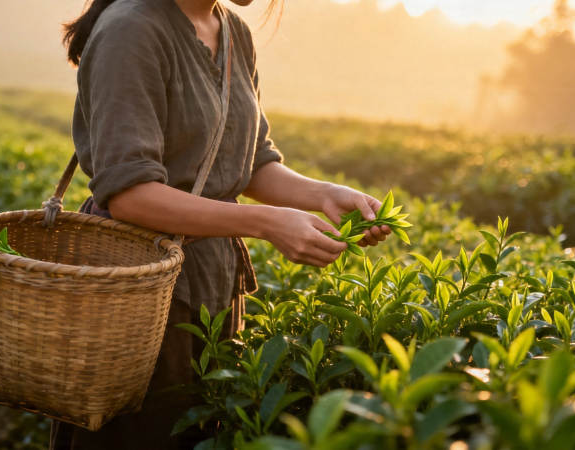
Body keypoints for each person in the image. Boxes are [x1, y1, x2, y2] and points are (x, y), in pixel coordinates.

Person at [49, 0, 391, 448]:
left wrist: (325, 194)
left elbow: (249, 162)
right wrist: (267, 223)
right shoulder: (130, 31)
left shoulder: (232, 32)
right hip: (135, 288)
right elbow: (131, 195)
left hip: (211, 282)